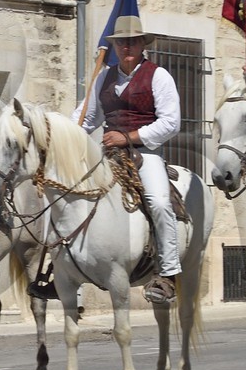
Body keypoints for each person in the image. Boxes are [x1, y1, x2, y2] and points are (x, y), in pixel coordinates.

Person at [75, 15, 183, 304]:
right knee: (67, 191)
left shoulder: (158, 76)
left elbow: (171, 122)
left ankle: (168, 273)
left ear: (142, 44)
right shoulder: (104, 77)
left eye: (132, 41)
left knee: (159, 202)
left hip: (145, 153)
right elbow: (86, 118)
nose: (126, 46)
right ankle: (60, 267)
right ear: (115, 46)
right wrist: (67, 134)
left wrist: (129, 136)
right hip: (107, 154)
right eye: (121, 42)